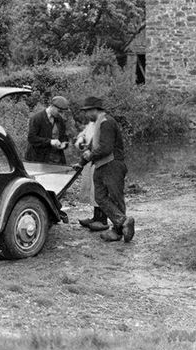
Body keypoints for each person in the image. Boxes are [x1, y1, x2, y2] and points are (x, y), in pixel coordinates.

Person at [79, 96, 135, 242]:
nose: (85, 115)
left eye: (87, 111)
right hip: (101, 166)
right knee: (100, 197)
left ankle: (117, 231)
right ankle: (123, 221)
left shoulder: (107, 123)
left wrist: (90, 155)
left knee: (116, 199)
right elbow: (93, 147)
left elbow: (106, 148)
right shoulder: (98, 124)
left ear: (94, 110)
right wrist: (81, 163)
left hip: (113, 165)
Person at [74, 122, 109, 231]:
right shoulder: (91, 123)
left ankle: (103, 220)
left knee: (100, 189)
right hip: (89, 158)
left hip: (101, 160)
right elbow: (84, 133)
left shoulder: (104, 123)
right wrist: (80, 138)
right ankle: (95, 218)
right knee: (91, 188)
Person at [25, 95, 70, 164]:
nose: (61, 114)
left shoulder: (60, 119)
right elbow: (32, 138)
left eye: (63, 112)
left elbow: (63, 136)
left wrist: (64, 143)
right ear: (52, 106)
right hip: (38, 160)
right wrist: (50, 142)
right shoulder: (37, 118)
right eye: (59, 111)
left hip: (56, 159)